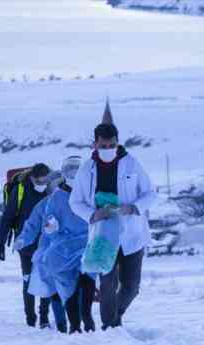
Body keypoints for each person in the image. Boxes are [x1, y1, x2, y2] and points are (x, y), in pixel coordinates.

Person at [70, 103, 156, 330]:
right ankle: (110, 326)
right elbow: (75, 202)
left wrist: (135, 207)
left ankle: (115, 316)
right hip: (103, 235)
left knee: (131, 287)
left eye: (112, 145)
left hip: (131, 232)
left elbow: (150, 192)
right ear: (95, 144)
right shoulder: (86, 169)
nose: (108, 148)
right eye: (104, 145)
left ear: (117, 143)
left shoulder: (132, 163)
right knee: (107, 284)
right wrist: (92, 214)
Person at [16, 156, 96, 334]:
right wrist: (35, 234)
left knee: (87, 281)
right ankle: (70, 325)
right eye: (70, 171)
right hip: (63, 250)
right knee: (66, 289)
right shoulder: (54, 200)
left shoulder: (91, 194)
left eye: (77, 171)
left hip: (88, 246)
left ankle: (87, 319)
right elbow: (38, 222)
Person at [0, 163, 53, 328]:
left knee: (46, 279)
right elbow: (7, 217)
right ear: (32, 178)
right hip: (25, 243)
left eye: (45, 181)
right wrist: (0, 243)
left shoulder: (52, 189)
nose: (42, 185)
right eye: (39, 182)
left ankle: (44, 318)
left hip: (47, 243)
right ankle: (30, 318)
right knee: (28, 279)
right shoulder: (20, 190)